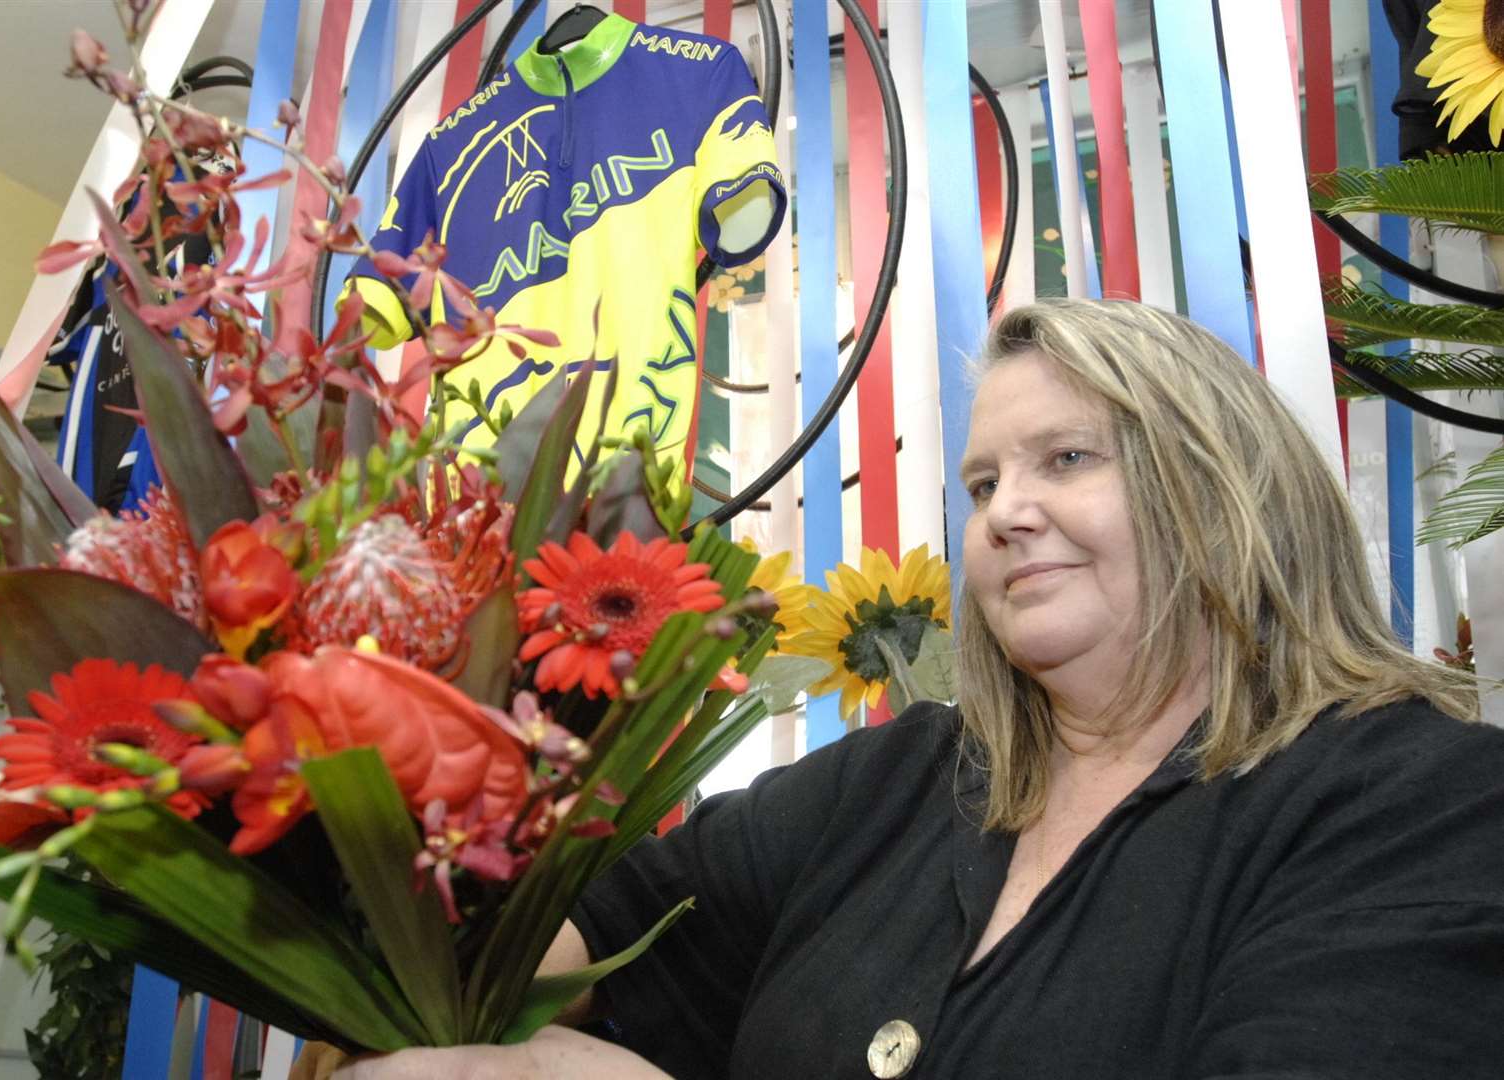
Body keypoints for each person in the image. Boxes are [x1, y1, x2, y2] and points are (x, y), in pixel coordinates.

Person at [307, 299, 1504, 1078]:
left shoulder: (1420, 803)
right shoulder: (895, 780)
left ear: (1228, 488)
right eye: (981, 485)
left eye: (1067, 459)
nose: (1005, 513)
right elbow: (586, 938)